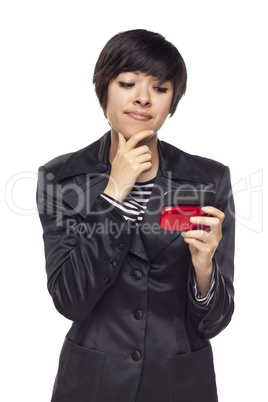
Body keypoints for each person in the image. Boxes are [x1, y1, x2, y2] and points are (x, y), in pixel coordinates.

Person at [37, 29, 235, 402]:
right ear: (104, 90)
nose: (143, 98)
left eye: (160, 88)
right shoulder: (60, 179)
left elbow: (215, 322)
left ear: (172, 99)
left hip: (181, 384)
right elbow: (70, 300)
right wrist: (114, 192)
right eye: (128, 83)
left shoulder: (209, 180)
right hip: (93, 384)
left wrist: (206, 270)